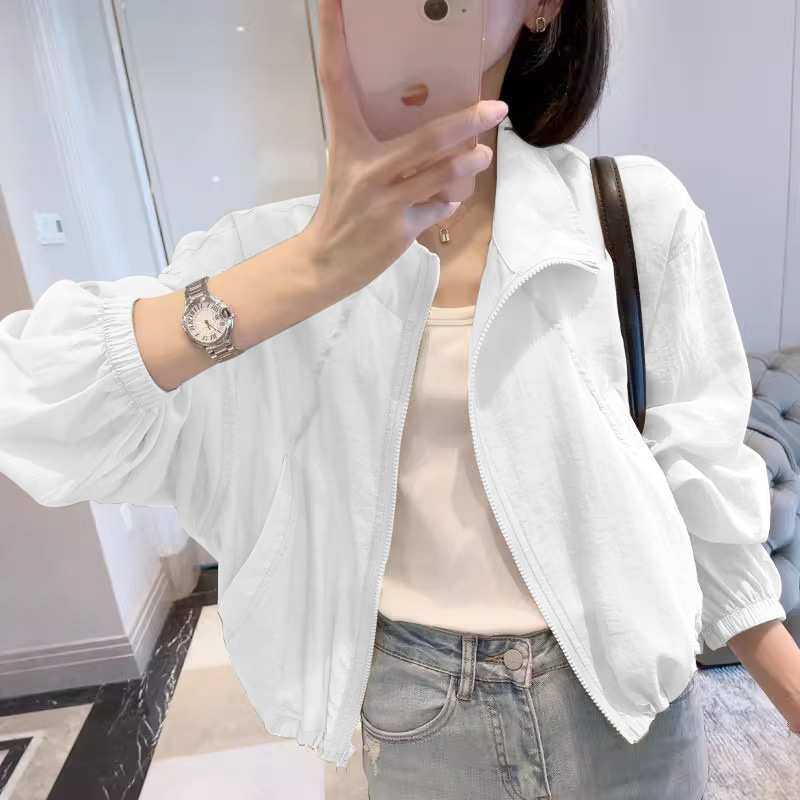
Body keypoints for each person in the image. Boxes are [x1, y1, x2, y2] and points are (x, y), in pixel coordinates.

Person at [1, 0, 798, 797]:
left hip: (628, 700)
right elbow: (36, 406)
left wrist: (784, 679)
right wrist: (310, 268)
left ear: (544, 7)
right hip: (414, 716)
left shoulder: (632, 214)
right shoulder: (262, 256)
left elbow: (698, 471)